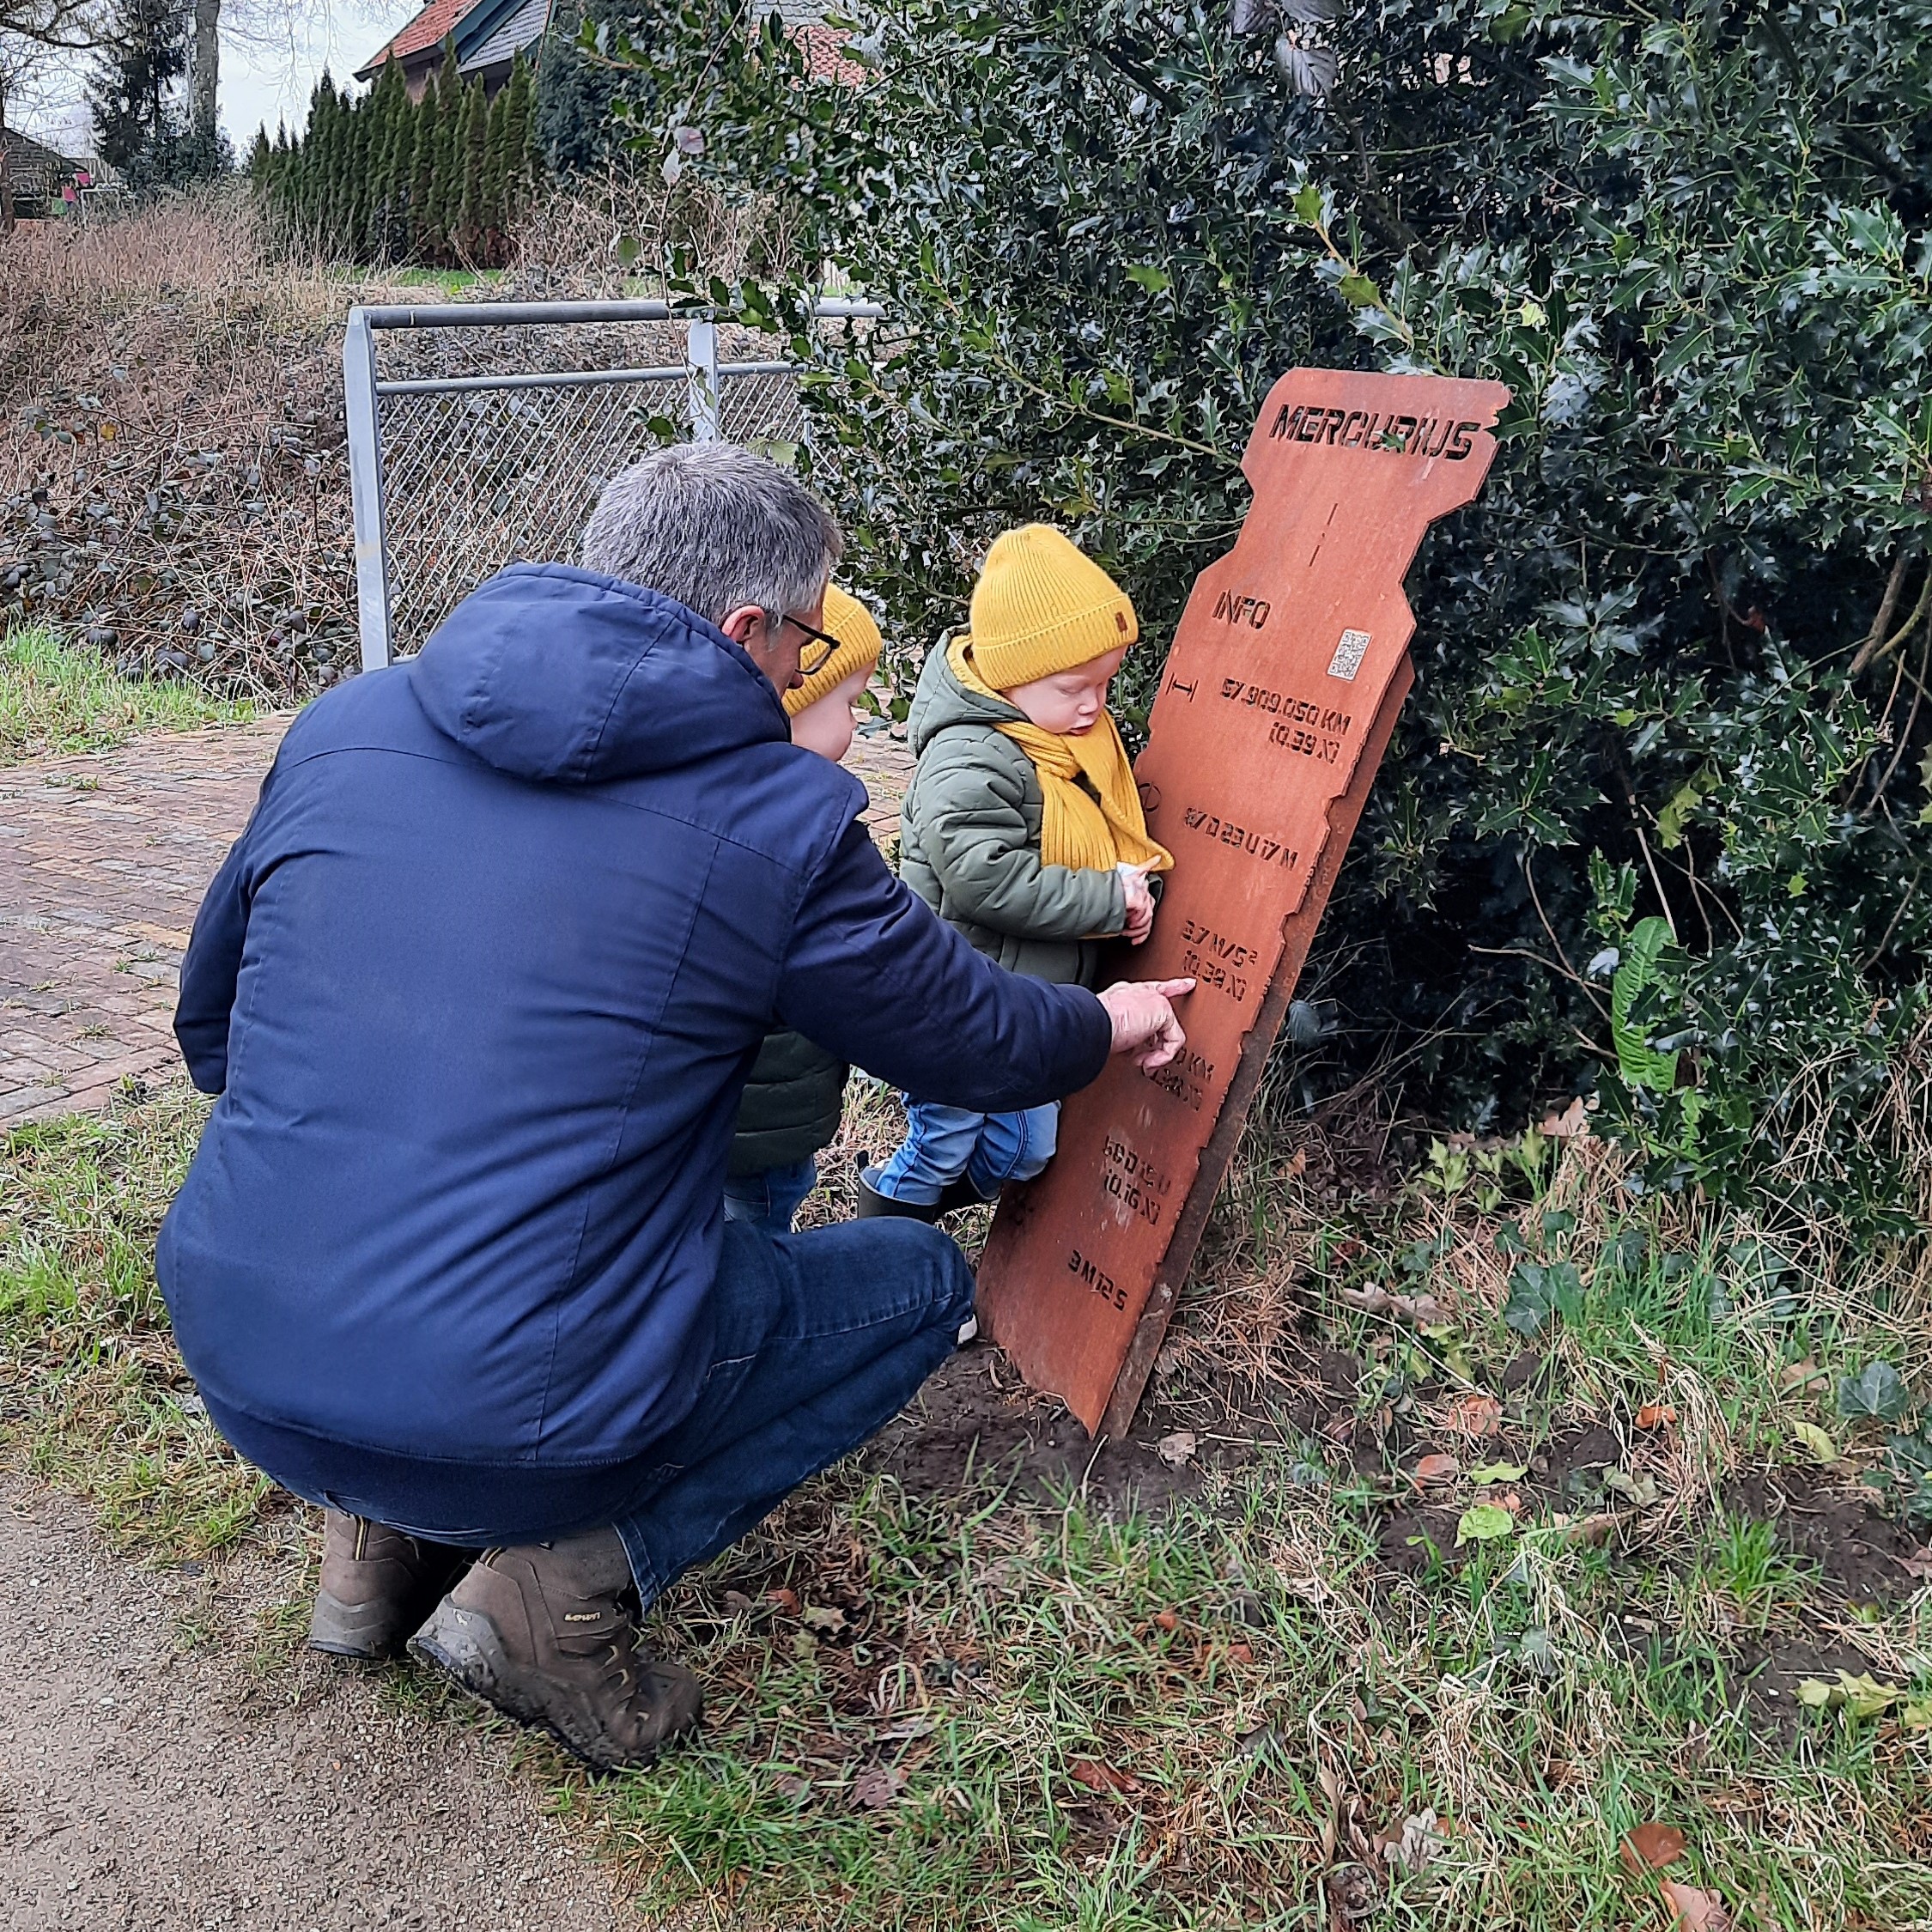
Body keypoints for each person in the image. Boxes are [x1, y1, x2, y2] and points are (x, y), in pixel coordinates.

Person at [157, 444, 1192, 1774]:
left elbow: (209, 1027)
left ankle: (372, 1549)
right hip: (512, 1410)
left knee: (445, 1260)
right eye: (806, 636)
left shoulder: (343, 726)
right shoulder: (772, 815)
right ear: (747, 628)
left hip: (247, 1357)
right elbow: (967, 1036)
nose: (806, 663)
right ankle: (557, 1588)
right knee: (915, 1284)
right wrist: (1103, 1020)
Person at [860, 524, 1173, 1218]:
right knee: (944, 1141)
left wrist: (1131, 884)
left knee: (1026, 1150)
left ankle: (935, 1216)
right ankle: (889, 1234)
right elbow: (983, 877)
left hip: (1029, 1006)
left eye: (1105, 684)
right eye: (1073, 687)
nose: (1094, 705)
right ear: (1011, 677)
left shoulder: (1063, 741)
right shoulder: (970, 757)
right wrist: (1105, 899)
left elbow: (1096, 835)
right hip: (955, 999)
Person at [724, 584, 882, 1233]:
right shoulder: (805, 834)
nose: (856, 723)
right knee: (756, 1232)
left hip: (720, 1119)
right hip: (766, 1123)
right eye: (850, 702)